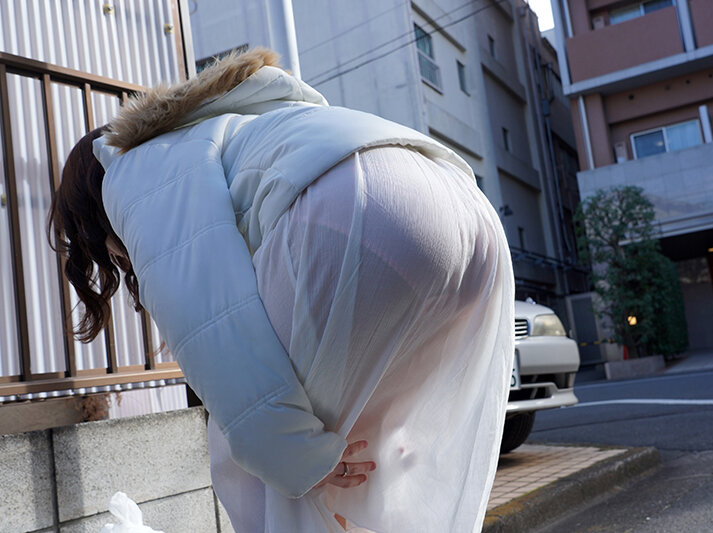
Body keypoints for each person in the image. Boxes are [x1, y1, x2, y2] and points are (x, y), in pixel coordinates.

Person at [50, 48, 513, 532]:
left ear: (93, 211)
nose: (118, 259)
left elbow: (215, 323)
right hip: (468, 212)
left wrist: (291, 455)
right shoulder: (232, 126)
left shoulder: (135, 172)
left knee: (264, 467)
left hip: (359, 213)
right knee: (371, 448)